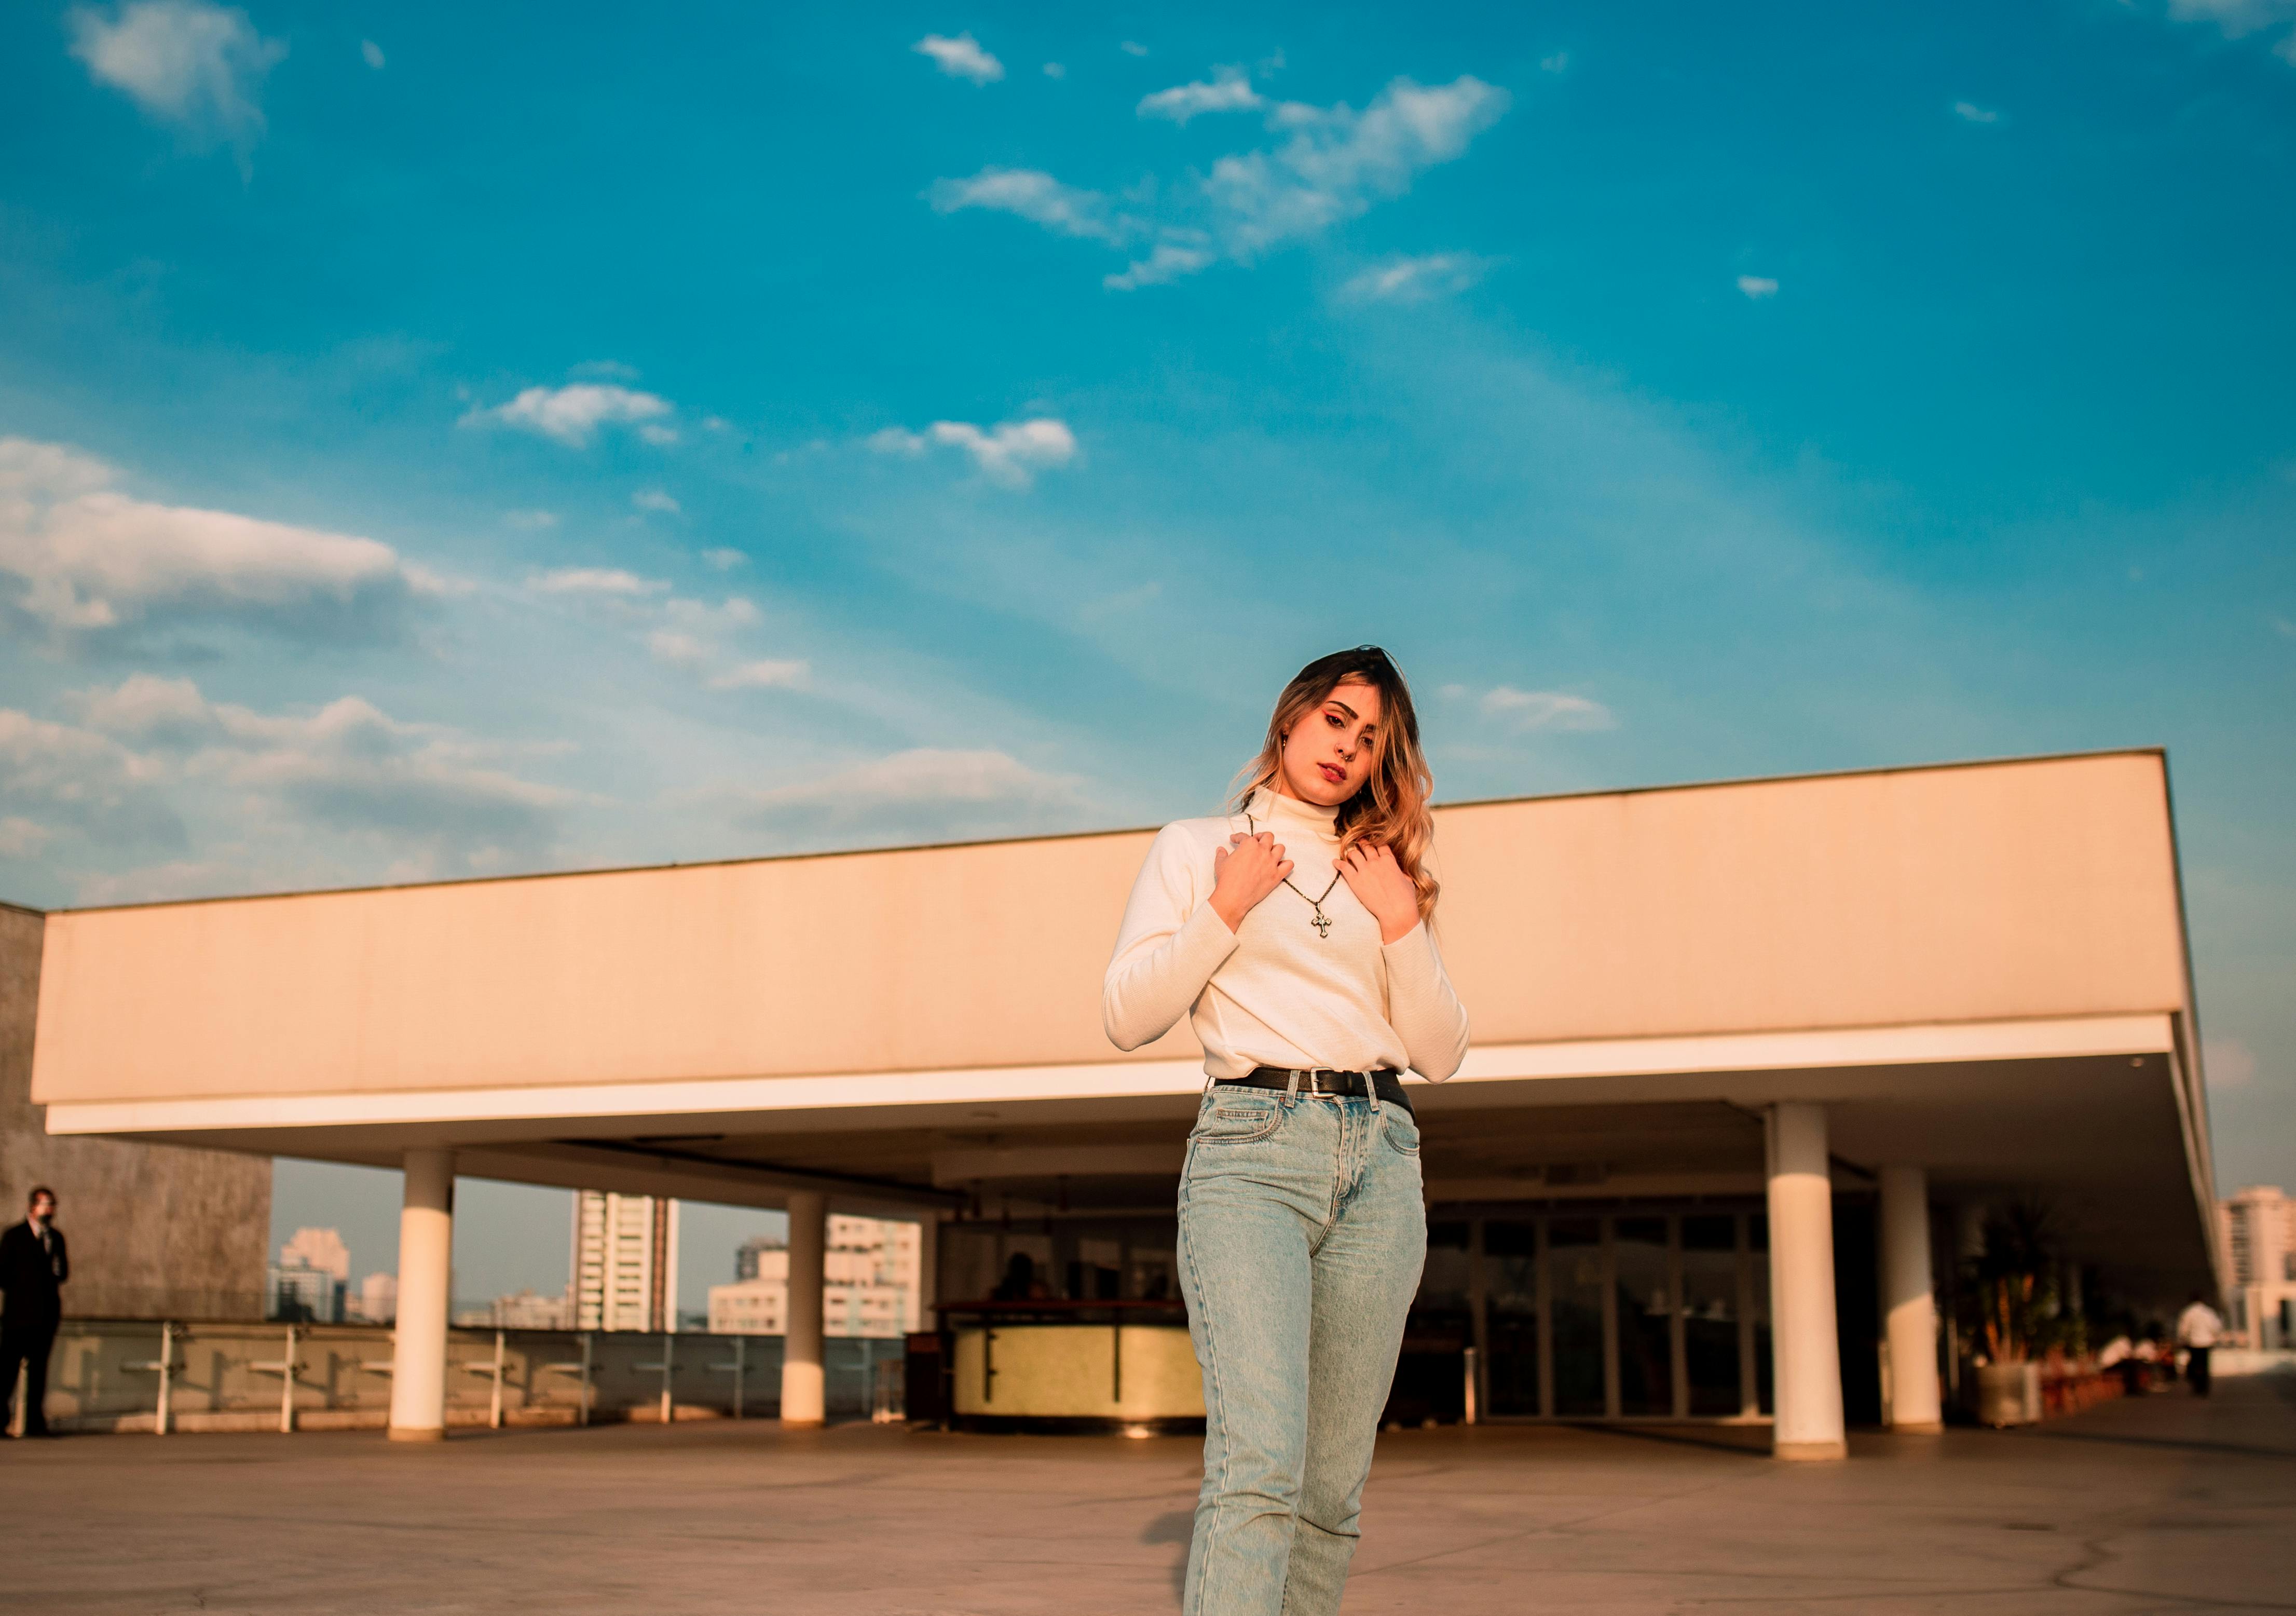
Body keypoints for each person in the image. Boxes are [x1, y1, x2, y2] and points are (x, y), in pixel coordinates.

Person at [1103, 646, 1469, 1616]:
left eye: (1370, 739)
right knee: (1260, 1462)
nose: (1347, 748)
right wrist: (1225, 906)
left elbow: (1439, 1050)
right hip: (1251, 1152)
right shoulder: (1196, 847)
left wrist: (1399, 920)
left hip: (1381, 1158)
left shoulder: (1383, 871)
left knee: (1329, 1489)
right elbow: (1126, 1013)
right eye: (1337, 720)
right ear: (1290, 717)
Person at [0, 1186, 69, 1438]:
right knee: (7, 1370)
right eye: (45, 1204)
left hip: (45, 1315)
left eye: (52, 1205)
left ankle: (35, 1424)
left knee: (39, 1371)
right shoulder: (15, 1236)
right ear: (33, 1207)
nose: (49, 1210)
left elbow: (62, 1274)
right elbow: (4, 1274)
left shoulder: (55, 1238)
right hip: (18, 1315)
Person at [2175, 1291, 2223, 1398]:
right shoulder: (2209, 1312)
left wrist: (2182, 1339)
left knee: (2194, 1365)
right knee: (2205, 1366)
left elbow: (2183, 1328)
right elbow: (2216, 1327)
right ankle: (2205, 1388)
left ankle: (2197, 1385)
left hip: (2193, 1342)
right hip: (2207, 1343)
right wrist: (2214, 1337)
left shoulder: (2188, 1312)